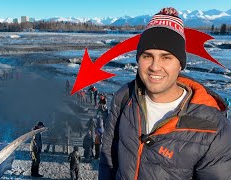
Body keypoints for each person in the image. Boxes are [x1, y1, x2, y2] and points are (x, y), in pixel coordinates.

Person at [99, 7, 231, 180]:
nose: (155, 66)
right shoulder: (124, 98)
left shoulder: (214, 128)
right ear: (138, 59)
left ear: (180, 64)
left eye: (166, 57)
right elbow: (109, 161)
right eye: (147, 56)